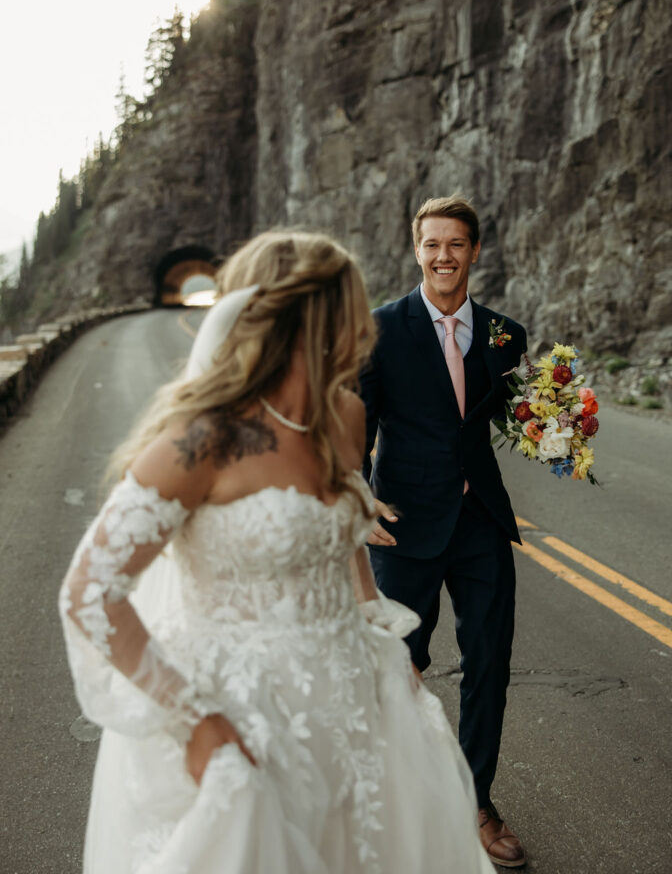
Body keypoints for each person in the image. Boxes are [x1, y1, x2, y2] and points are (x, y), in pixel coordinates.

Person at [59, 230, 494, 874]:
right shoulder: (205, 438)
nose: (363, 324)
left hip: (348, 693)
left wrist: (376, 625)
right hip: (245, 710)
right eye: (350, 305)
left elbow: (339, 537)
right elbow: (90, 591)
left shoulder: (343, 415)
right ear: (314, 316)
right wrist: (196, 720)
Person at [360, 198, 528, 868]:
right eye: (431, 244)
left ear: (475, 251)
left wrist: (557, 427)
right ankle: (391, 807)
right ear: (415, 248)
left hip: (479, 521)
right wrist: (357, 498)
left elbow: (511, 413)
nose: (442, 257)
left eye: (455, 244)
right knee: (398, 667)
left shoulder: (500, 334)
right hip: (400, 524)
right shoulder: (380, 328)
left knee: (489, 662)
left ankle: (474, 803)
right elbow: (357, 420)